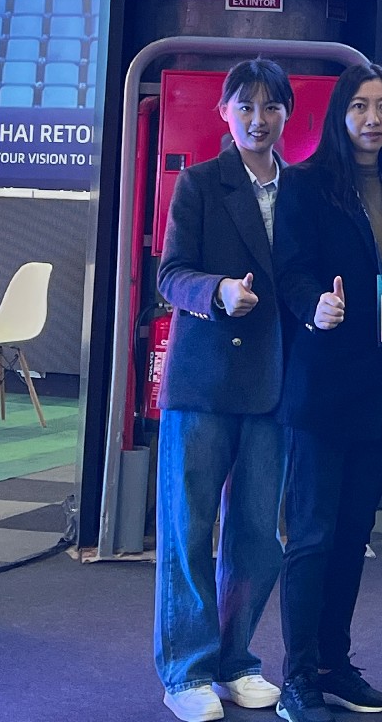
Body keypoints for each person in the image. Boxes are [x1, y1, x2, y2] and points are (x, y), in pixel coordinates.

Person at [272, 64, 382, 722]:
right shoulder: (305, 184)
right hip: (323, 387)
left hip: (380, 391)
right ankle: (298, 677)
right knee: (312, 536)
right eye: (360, 106)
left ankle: (335, 663)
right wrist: (314, 307)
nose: (373, 118)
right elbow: (292, 270)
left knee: (354, 532)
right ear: (340, 114)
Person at [153, 59, 294, 722]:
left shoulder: (300, 191)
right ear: (225, 114)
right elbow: (170, 274)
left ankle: (237, 661)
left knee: (258, 534)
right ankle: (185, 670)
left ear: (287, 114)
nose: (258, 120)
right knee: (189, 528)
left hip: (274, 383)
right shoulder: (200, 183)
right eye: (246, 107)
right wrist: (217, 292)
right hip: (204, 381)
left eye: (271, 107)